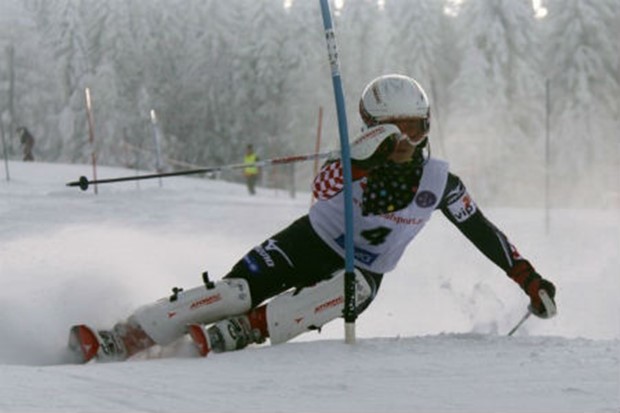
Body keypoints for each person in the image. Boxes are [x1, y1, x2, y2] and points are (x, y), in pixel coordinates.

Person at [69, 74, 557, 362]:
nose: (409, 139)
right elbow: (325, 188)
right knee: (232, 292)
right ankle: (126, 337)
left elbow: (483, 232)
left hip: (359, 271)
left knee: (352, 290)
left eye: (417, 127)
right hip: (306, 243)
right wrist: (363, 163)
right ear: (377, 127)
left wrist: (530, 280)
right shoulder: (352, 161)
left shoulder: (439, 182)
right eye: (398, 128)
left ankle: (249, 329)